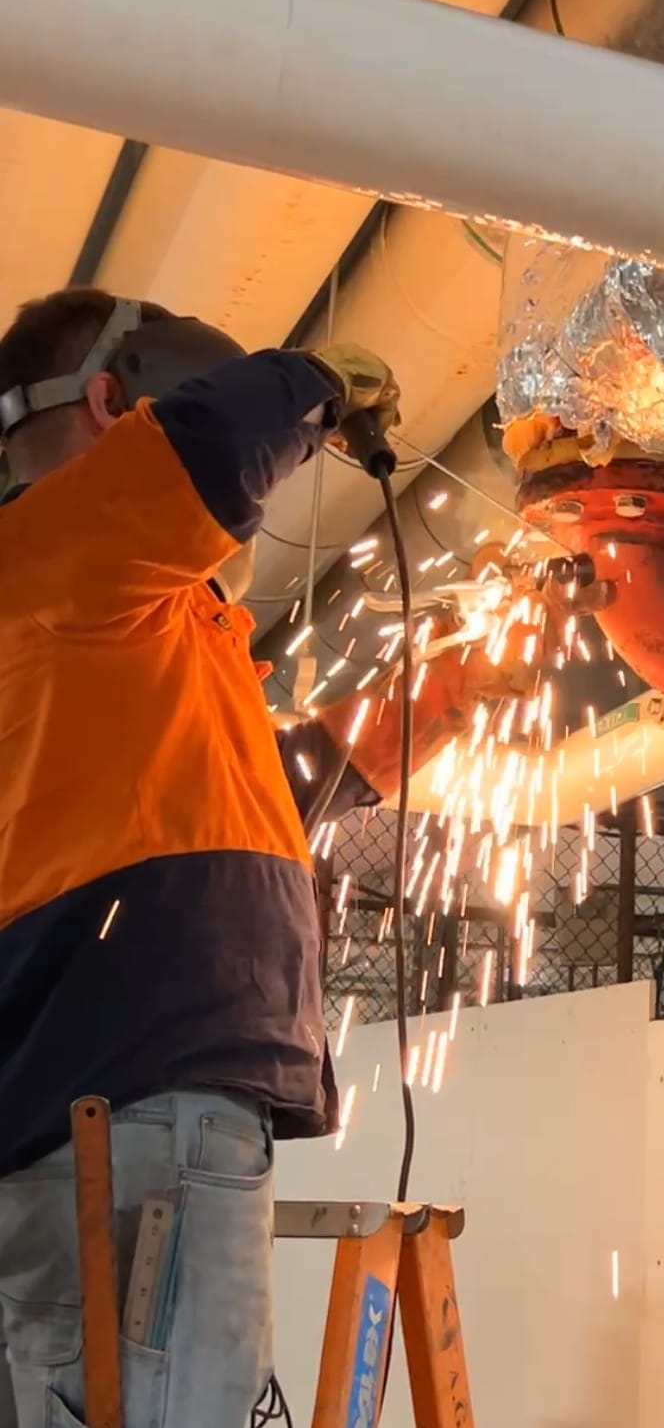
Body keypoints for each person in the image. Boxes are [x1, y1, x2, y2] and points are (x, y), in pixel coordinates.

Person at [0, 288, 403, 1428]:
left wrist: (379, 742)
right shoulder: (58, 538)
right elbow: (217, 440)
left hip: (99, 1109)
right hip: (136, 1106)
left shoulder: (103, 611)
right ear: (109, 405)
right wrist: (318, 379)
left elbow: (210, 792)